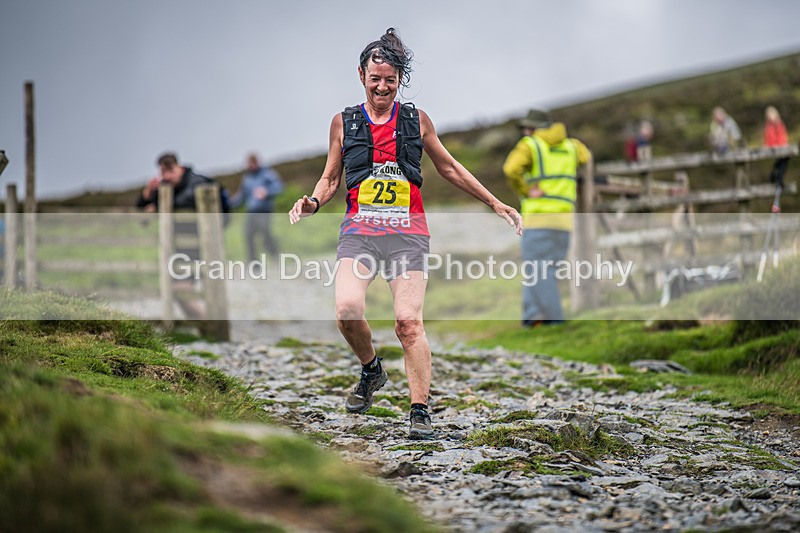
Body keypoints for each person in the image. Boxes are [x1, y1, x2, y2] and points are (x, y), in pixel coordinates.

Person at [288, 28, 522, 439]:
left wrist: (494, 203)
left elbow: (449, 167)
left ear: (400, 79)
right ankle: (371, 369)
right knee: (346, 310)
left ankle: (419, 413)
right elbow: (329, 179)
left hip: (407, 234)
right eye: (375, 78)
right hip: (359, 232)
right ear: (361, 75)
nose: (382, 86)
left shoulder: (417, 120)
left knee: (408, 323)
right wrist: (312, 202)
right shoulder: (343, 123)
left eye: (390, 79)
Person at [503, 108, 592, 327]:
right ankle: (532, 319)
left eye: (526, 127)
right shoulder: (573, 146)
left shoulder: (530, 145)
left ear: (532, 128)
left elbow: (511, 168)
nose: (524, 131)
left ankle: (555, 321)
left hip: (539, 218)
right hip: (564, 220)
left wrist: (525, 189)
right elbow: (587, 158)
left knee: (539, 271)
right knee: (543, 270)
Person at [136, 152, 221, 319]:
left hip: (200, 246)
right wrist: (146, 196)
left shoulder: (196, 182)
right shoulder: (166, 188)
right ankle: (208, 325)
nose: (166, 176)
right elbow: (143, 214)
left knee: (184, 289)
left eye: (170, 171)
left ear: (179, 168)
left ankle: (210, 324)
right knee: (180, 290)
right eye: (163, 172)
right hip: (181, 248)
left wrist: (161, 205)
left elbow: (189, 201)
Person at [230, 153, 284, 263]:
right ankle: (254, 263)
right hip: (251, 211)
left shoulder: (268, 174)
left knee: (265, 233)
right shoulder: (247, 178)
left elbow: (279, 187)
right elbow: (242, 196)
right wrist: (229, 203)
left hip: (264, 210)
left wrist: (267, 192)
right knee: (248, 236)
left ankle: (275, 255)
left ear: (257, 162)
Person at [764, 106, 790, 204]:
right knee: (782, 162)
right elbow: (770, 139)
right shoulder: (769, 126)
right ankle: (778, 179)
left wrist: (783, 145)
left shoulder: (779, 124)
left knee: (784, 160)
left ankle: (776, 177)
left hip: (781, 147)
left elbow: (783, 136)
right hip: (774, 149)